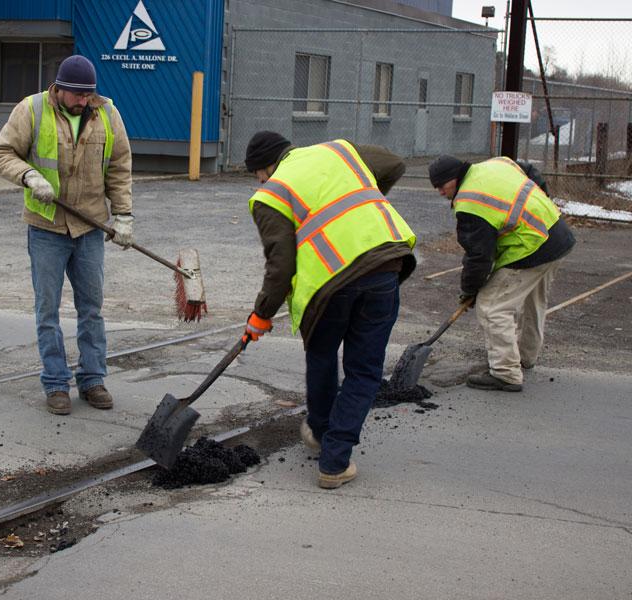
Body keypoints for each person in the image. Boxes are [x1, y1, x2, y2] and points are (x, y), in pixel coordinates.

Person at [243, 131, 417, 489]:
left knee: (321, 355)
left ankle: (325, 439)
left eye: (258, 174)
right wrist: (362, 207)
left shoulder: (271, 193)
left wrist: (261, 314)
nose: (259, 182)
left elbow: (281, 265)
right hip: (384, 263)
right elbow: (394, 164)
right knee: (364, 371)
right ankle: (333, 457)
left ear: (267, 167)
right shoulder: (338, 152)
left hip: (329, 284)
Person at [0, 55, 133, 415]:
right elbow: (2, 154)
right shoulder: (32, 110)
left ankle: (93, 379)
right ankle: (56, 383)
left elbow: (119, 166)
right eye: (77, 95)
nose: (83, 101)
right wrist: (29, 176)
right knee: (47, 310)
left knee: (92, 309)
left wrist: (124, 216)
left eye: (88, 95)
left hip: (90, 226)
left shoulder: (106, 114)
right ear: (59, 88)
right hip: (46, 227)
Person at [428, 155, 575, 392]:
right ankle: (525, 356)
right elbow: (531, 172)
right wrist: (542, 204)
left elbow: (479, 256)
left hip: (531, 246)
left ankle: (505, 373)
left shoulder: (469, 204)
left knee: (492, 306)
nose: (441, 193)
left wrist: (470, 290)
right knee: (532, 301)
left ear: (455, 179)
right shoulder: (496, 164)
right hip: (556, 233)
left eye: (442, 186)